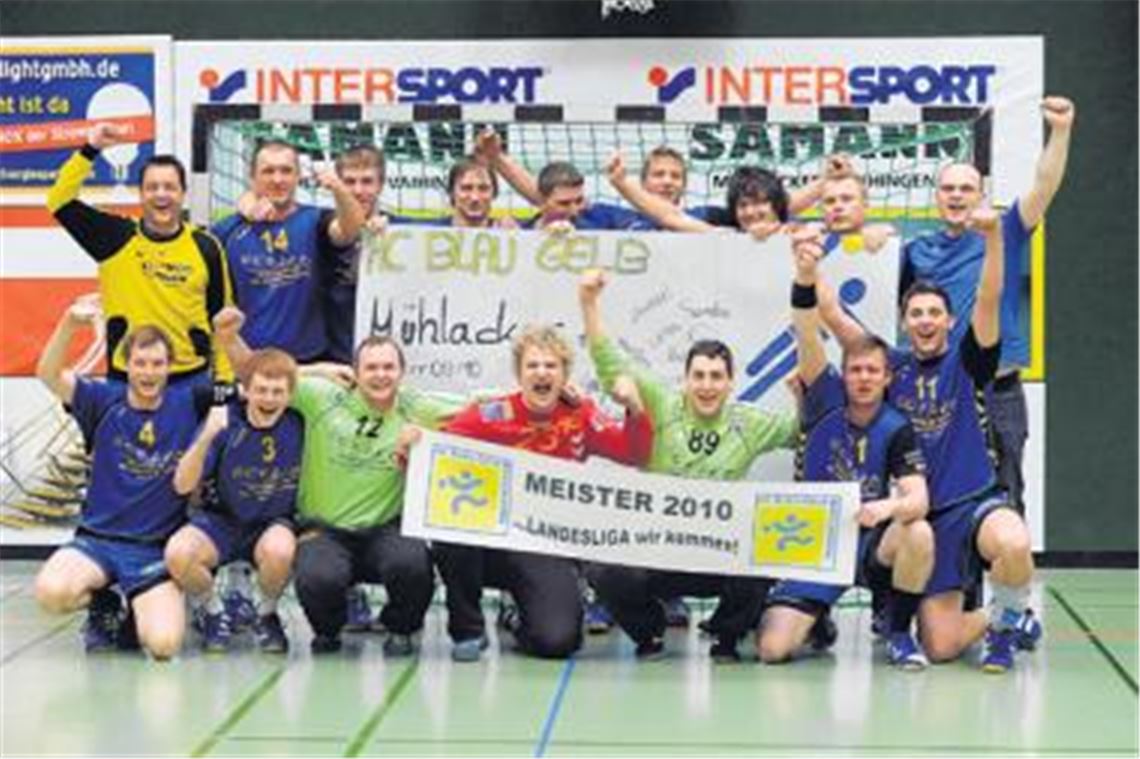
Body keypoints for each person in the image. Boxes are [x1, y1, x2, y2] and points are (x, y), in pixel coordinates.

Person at [817, 208, 1042, 673]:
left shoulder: (968, 361)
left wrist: (994, 238)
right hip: (920, 517)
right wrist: (806, 260)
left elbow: (990, 294)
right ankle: (1009, 617)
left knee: (1015, 543)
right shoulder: (887, 366)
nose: (924, 320)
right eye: (916, 313)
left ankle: (1003, 634)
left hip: (972, 501)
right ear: (904, 321)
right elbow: (833, 317)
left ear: (948, 320)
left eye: (934, 313)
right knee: (941, 647)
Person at [213, 307, 465, 656]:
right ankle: (329, 629)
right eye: (371, 368)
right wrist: (230, 337)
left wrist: (559, 392)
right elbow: (258, 375)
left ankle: (402, 626)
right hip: (325, 529)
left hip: (384, 527)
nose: (380, 375)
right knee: (318, 577)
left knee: (413, 565)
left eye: (388, 367)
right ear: (356, 372)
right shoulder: (322, 397)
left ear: (402, 373)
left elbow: (480, 405)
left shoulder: (416, 407)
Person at [578, 269, 799, 661]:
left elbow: (802, 431)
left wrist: (802, 396)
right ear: (685, 380)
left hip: (719, 554)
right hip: (659, 552)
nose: (707, 385)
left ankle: (726, 636)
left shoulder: (748, 422)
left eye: (717, 377)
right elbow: (610, 360)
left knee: (768, 554)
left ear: (731, 383)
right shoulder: (662, 405)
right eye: (698, 376)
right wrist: (589, 301)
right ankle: (650, 633)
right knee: (603, 569)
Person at [756, 229, 934, 670]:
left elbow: (918, 498)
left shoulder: (897, 426)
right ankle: (816, 618)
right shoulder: (823, 396)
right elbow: (805, 324)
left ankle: (898, 630)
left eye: (873, 370)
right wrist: (805, 273)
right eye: (855, 369)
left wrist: (886, 507)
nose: (864, 378)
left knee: (919, 531)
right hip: (816, 538)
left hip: (870, 536)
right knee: (773, 651)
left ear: (887, 377)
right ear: (844, 373)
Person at [433, 325, 654, 661]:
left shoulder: (580, 414)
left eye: (551, 366)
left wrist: (636, 409)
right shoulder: (491, 414)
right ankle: (469, 630)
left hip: (540, 544)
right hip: (490, 540)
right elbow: (439, 447)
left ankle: (519, 615)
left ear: (564, 374)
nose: (541, 373)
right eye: (533, 366)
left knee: (558, 642)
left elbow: (634, 453)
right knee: (451, 529)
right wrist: (412, 442)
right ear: (519, 374)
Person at [900, 96, 1075, 516]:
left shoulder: (1007, 231)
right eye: (948, 188)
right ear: (936, 198)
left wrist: (1062, 130)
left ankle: (1007, 581)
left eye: (966, 188)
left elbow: (1044, 184)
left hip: (999, 391)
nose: (957, 195)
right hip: (940, 396)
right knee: (938, 499)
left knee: (1006, 498)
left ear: (982, 194)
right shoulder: (915, 251)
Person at [33, 297, 211, 659]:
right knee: (52, 593)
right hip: (97, 541)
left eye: (157, 364)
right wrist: (68, 324)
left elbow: (259, 380)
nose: (148, 372)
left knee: (163, 646)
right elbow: (48, 374)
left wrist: (317, 371)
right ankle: (106, 602)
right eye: (140, 363)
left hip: (153, 549)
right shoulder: (101, 399)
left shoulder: (191, 401)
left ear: (170, 367)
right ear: (126, 365)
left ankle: (135, 610)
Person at [46, 122, 234, 384]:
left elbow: (221, 319)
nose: (161, 195)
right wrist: (91, 149)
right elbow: (59, 201)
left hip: (191, 382)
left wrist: (224, 380)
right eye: (152, 187)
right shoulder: (114, 237)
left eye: (169, 187)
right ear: (140, 194)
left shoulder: (206, 246)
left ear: (183, 194)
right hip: (127, 381)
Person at [164, 348, 303, 654]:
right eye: (261, 390)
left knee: (281, 550)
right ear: (246, 390)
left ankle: (266, 613)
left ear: (290, 395)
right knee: (179, 553)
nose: (268, 399)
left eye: (277, 392)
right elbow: (181, 484)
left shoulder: (300, 424)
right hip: (221, 520)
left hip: (270, 523)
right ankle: (212, 611)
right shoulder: (225, 423)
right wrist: (206, 437)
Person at [212, 139, 365, 363]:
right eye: (268, 171)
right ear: (252, 178)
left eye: (286, 171)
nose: (277, 179)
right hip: (249, 362)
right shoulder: (227, 230)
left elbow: (350, 229)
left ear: (297, 176)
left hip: (311, 360)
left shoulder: (316, 221)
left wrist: (338, 188)